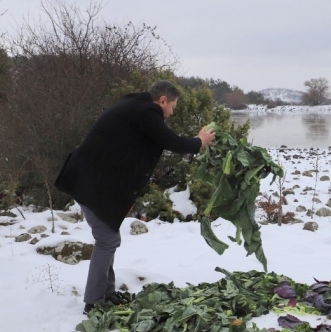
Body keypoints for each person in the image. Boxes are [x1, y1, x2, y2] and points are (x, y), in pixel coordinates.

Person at [54, 80, 216, 315]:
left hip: (91, 181)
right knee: (106, 241)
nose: (172, 112)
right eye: (173, 106)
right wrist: (200, 141)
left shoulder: (134, 105)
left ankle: (106, 293)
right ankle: (94, 302)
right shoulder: (146, 111)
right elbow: (171, 141)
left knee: (109, 239)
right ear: (162, 101)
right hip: (90, 183)